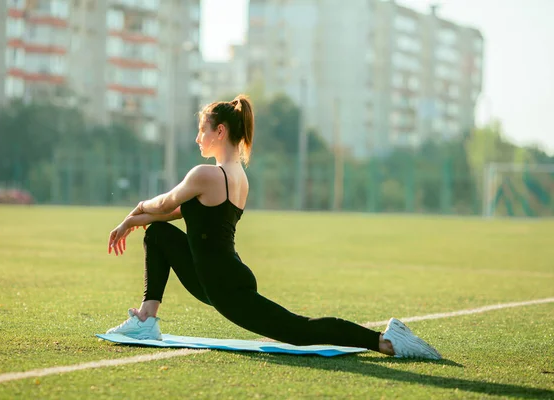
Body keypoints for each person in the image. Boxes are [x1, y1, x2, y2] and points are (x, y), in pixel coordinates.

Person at [105, 95, 441, 360]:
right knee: (158, 234)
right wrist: (136, 221)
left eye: (202, 130)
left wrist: (136, 210)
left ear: (220, 131)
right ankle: (147, 321)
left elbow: (164, 204)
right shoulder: (237, 177)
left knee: (298, 331)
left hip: (224, 287)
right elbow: (181, 214)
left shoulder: (205, 175)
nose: (197, 138)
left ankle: (385, 341)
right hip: (213, 277)